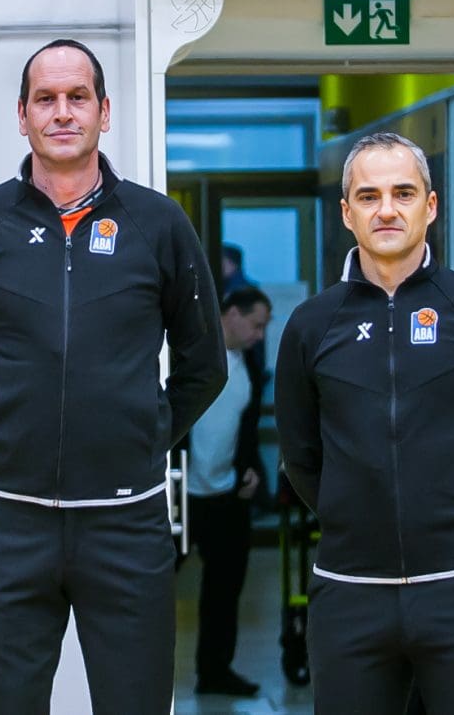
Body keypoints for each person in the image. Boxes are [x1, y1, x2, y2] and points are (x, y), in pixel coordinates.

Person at [0, 38, 227, 715]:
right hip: (9, 521)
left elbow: (205, 364)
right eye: (46, 99)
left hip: (126, 523)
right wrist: (6, 423)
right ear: (23, 115)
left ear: (104, 112)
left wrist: (144, 434)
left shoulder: (158, 224)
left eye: (77, 97)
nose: (62, 112)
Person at [274, 131, 454, 715]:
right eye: (368, 196)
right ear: (346, 212)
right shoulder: (311, 325)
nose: (387, 209)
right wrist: (357, 518)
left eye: (403, 193)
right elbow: (300, 455)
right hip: (351, 592)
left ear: (431, 205)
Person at [183, 285, 271, 697]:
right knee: (149, 585)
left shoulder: (250, 362)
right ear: (231, 314)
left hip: (227, 494)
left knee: (224, 588)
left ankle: (215, 671)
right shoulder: (188, 352)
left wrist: (250, 468)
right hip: (180, 492)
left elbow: (245, 426)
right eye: (256, 325)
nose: (259, 335)